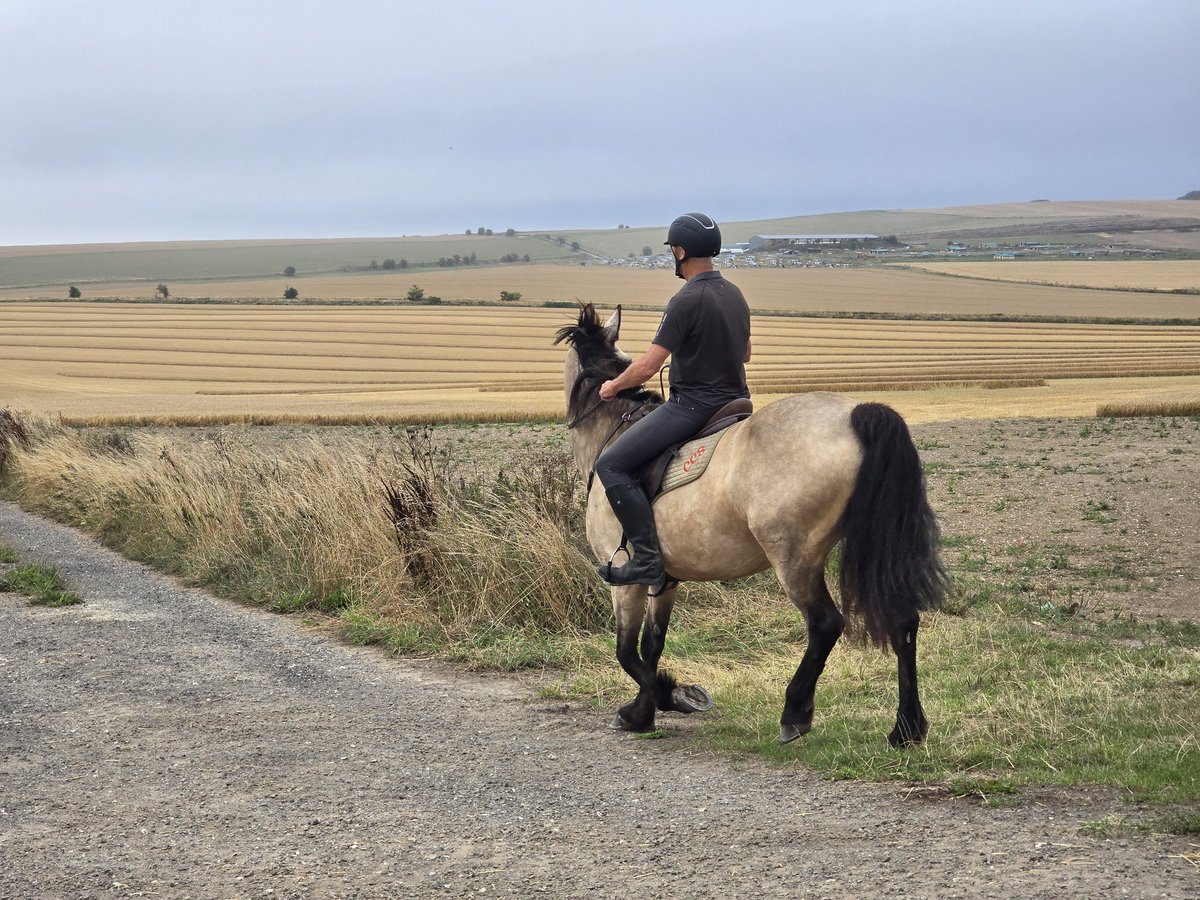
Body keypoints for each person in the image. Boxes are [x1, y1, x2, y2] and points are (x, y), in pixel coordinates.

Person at [593, 212, 752, 586]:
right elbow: (745, 354)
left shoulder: (685, 299)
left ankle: (647, 559)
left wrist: (613, 387)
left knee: (611, 465)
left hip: (693, 407)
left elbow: (648, 367)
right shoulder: (736, 294)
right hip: (737, 404)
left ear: (680, 252)